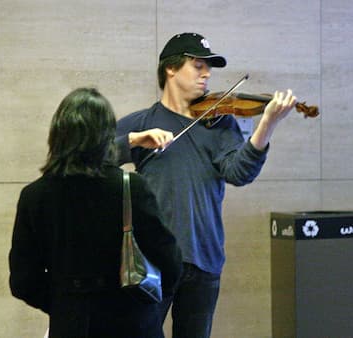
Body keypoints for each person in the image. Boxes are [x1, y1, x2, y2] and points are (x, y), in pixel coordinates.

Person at [115, 32, 298, 338]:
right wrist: (134, 140)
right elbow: (91, 154)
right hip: (151, 260)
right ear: (170, 69)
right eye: (198, 65)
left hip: (204, 257)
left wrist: (267, 125)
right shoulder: (143, 122)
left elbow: (240, 172)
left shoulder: (220, 122)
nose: (207, 74)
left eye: (208, 68)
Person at [8, 86, 183, 338]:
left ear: (57, 135)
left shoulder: (34, 196)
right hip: (133, 323)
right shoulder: (131, 187)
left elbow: (23, 281)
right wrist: (145, 302)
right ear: (106, 137)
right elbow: (171, 263)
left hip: (71, 326)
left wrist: (65, 305)